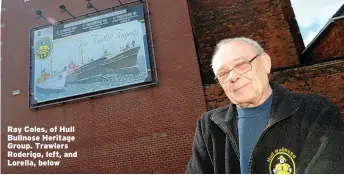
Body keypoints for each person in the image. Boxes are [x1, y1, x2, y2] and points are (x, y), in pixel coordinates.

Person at [186, 37, 344, 174]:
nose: (232, 77)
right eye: (223, 74)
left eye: (241, 65)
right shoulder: (209, 126)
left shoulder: (316, 111)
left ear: (265, 64)